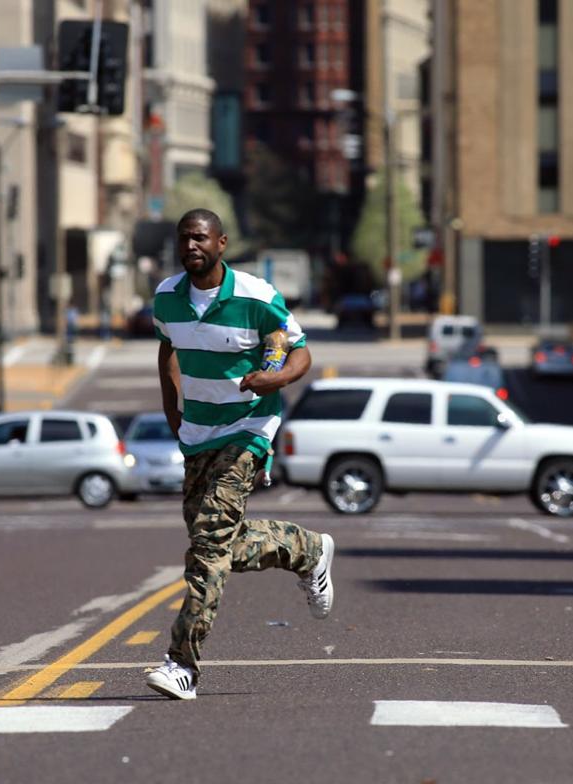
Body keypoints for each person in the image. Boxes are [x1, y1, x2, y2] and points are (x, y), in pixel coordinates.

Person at [145, 208, 335, 701]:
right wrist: (174, 411)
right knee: (218, 541)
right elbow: (167, 349)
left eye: (201, 238)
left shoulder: (256, 297)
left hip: (250, 427)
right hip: (198, 432)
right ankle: (307, 550)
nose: (192, 246)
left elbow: (300, 351)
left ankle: (182, 664)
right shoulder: (167, 298)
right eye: (184, 238)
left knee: (207, 547)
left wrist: (277, 378)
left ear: (222, 243)